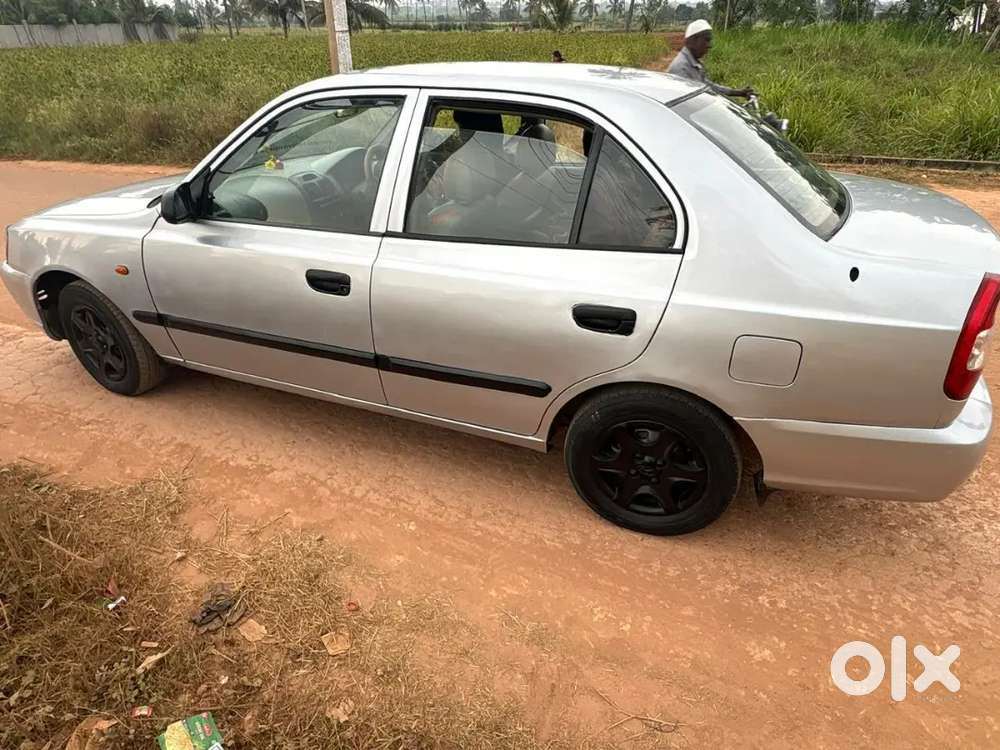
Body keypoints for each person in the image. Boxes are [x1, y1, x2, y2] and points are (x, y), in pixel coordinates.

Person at [667, 20, 754, 99]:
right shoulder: (681, 68)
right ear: (693, 41)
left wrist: (738, 93)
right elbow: (687, 102)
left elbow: (708, 86)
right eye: (707, 40)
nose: (709, 45)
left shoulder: (693, 63)